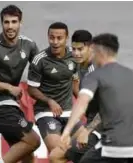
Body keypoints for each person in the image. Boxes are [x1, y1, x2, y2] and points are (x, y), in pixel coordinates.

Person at [61, 33, 133, 163]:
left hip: (114, 144)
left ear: (99, 52)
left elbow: (81, 103)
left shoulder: (96, 75)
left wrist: (67, 131)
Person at [0, 5, 40, 163]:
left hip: (11, 105)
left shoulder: (29, 45)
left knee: (27, 154)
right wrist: (8, 87)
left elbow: (41, 71)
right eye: (6, 22)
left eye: (14, 22)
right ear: (2, 23)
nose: (10, 26)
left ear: (20, 22)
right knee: (33, 141)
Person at [27, 22, 82, 162]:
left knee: (87, 147)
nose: (55, 42)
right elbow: (31, 89)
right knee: (58, 154)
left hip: (69, 112)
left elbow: (75, 84)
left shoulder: (74, 57)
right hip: (46, 112)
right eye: (52, 38)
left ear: (67, 38)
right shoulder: (40, 60)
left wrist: (86, 106)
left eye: (59, 38)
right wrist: (49, 101)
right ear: (48, 37)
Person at [56, 30, 102, 163]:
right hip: (94, 124)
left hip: (107, 129)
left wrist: (87, 131)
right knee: (57, 156)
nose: (76, 53)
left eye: (80, 49)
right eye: (74, 49)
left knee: (58, 156)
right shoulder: (80, 66)